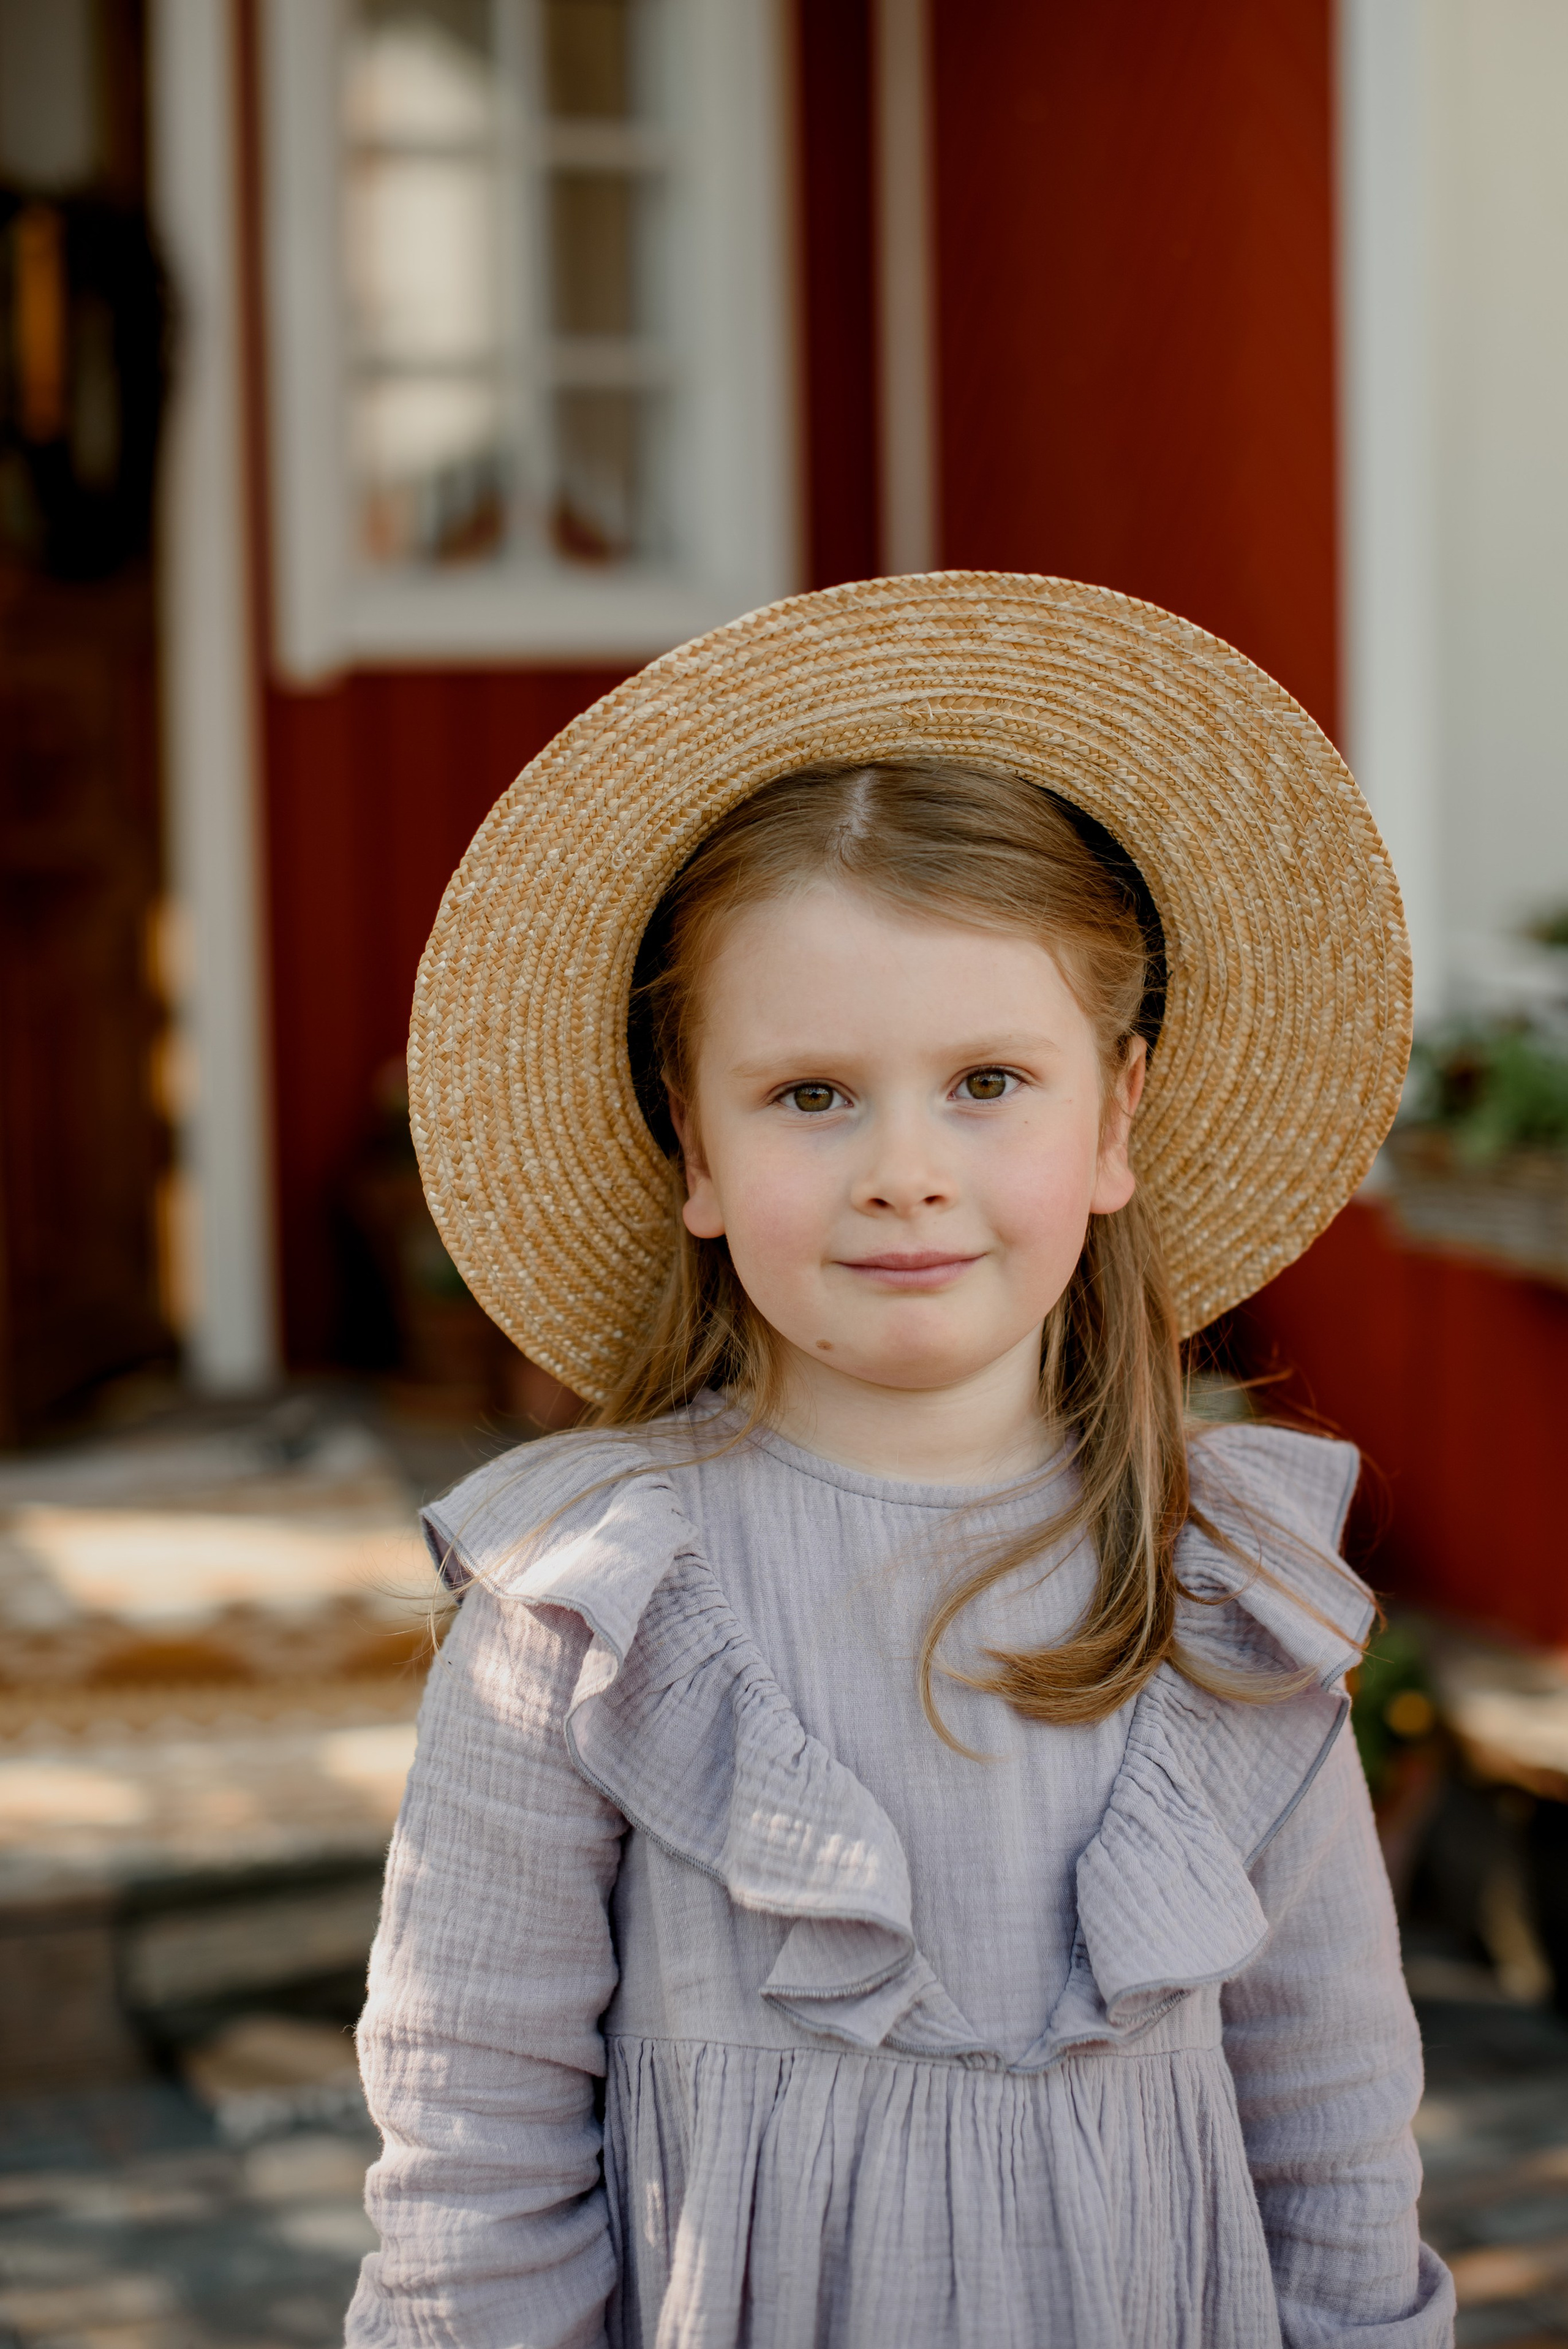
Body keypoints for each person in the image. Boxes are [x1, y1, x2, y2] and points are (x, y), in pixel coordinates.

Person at [347, 574, 1455, 2348]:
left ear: (1120, 1118)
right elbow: (471, 2140)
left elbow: (1329, 2118)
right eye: (811, 1095)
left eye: (989, 1080)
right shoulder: (591, 1613)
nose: (906, 1168)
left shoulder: (1222, 1592)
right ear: (691, 1151)